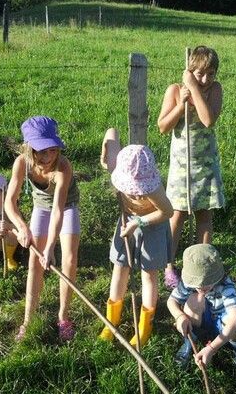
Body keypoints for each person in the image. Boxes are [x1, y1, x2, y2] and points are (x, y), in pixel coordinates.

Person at [5, 116, 80, 342]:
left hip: (66, 206)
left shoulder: (63, 167)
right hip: (40, 205)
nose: (48, 157)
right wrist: (22, 228)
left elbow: (58, 209)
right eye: (41, 151)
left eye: (53, 150)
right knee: (34, 261)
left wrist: (50, 247)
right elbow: (10, 202)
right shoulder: (21, 163)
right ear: (29, 148)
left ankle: (63, 317)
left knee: (68, 259)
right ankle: (28, 320)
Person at [157, 45, 225, 290]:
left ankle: (203, 266)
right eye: (199, 74)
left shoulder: (214, 90)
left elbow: (208, 120)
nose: (206, 80)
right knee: (177, 216)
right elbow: (163, 127)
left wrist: (194, 87)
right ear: (189, 70)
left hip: (206, 164)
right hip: (181, 164)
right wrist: (180, 103)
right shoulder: (175, 90)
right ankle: (169, 267)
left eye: (211, 74)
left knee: (204, 215)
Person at [98, 128, 174, 347]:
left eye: (140, 190)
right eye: (132, 190)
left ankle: (144, 327)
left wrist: (139, 223)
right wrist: (106, 149)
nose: (137, 194)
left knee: (148, 275)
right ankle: (111, 322)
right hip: (127, 223)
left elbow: (167, 213)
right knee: (120, 268)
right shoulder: (117, 168)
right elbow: (112, 133)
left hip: (153, 225)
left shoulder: (154, 190)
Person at [167, 243, 236, 378]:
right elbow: (171, 301)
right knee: (194, 300)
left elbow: (235, 320)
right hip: (204, 320)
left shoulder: (226, 287)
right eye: (197, 284)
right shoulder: (188, 284)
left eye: (207, 283)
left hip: (223, 325)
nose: (201, 288)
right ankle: (190, 344)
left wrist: (211, 349)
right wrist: (180, 317)